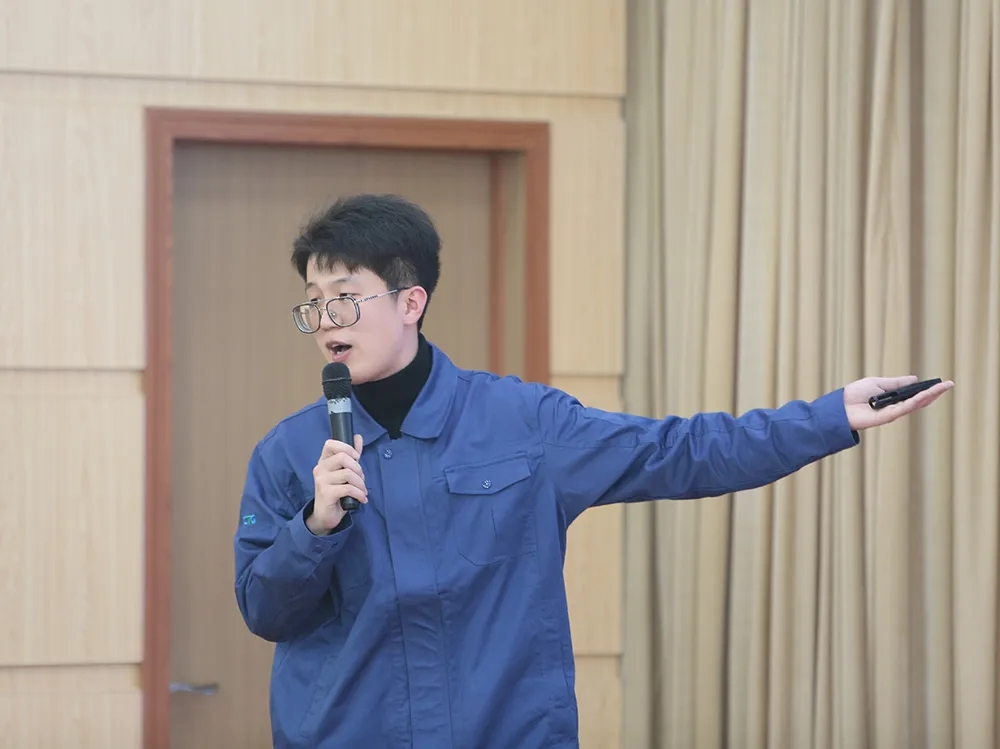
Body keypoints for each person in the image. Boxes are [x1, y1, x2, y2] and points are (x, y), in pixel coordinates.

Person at [233, 194, 953, 749]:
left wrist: (827, 417)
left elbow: (680, 450)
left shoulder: (523, 422)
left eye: (344, 297)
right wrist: (314, 527)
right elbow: (264, 611)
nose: (326, 320)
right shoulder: (287, 453)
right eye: (313, 303)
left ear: (410, 301)